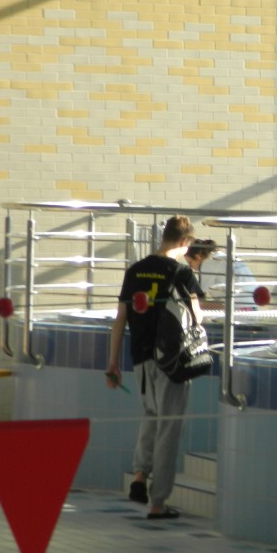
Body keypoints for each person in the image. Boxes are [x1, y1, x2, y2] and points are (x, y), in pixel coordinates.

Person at [106, 215, 205, 521]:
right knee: (168, 427)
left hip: (140, 358)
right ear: (184, 241)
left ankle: (139, 476)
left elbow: (120, 319)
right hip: (171, 359)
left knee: (150, 415)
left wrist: (112, 362)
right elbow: (197, 316)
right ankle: (158, 502)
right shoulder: (182, 271)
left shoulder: (135, 270)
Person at [185, 238, 257, 309]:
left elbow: (200, 295)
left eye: (190, 263)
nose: (191, 267)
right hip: (252, 305)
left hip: (238, 307)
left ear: (197, 257)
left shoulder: (207, 263)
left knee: (195, 304)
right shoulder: (222, 256)